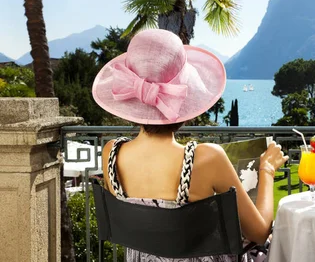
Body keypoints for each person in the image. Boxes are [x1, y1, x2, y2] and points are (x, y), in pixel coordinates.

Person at [92, 29, 288, 262]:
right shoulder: (206, 158)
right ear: (184, 98)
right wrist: (267, 170)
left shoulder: (111, 153)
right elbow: (259, 232)